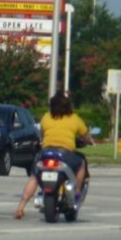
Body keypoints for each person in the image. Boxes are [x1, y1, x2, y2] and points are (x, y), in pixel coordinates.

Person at [14, 91, 94, 220]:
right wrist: (88, 140)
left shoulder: (46, 117)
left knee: (34, 176)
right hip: (65, 154)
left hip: (46, 153)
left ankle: (21, 207)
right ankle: (77, 192)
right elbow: (86, 136)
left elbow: (42, 134)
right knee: (82, 163)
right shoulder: (74, 118)